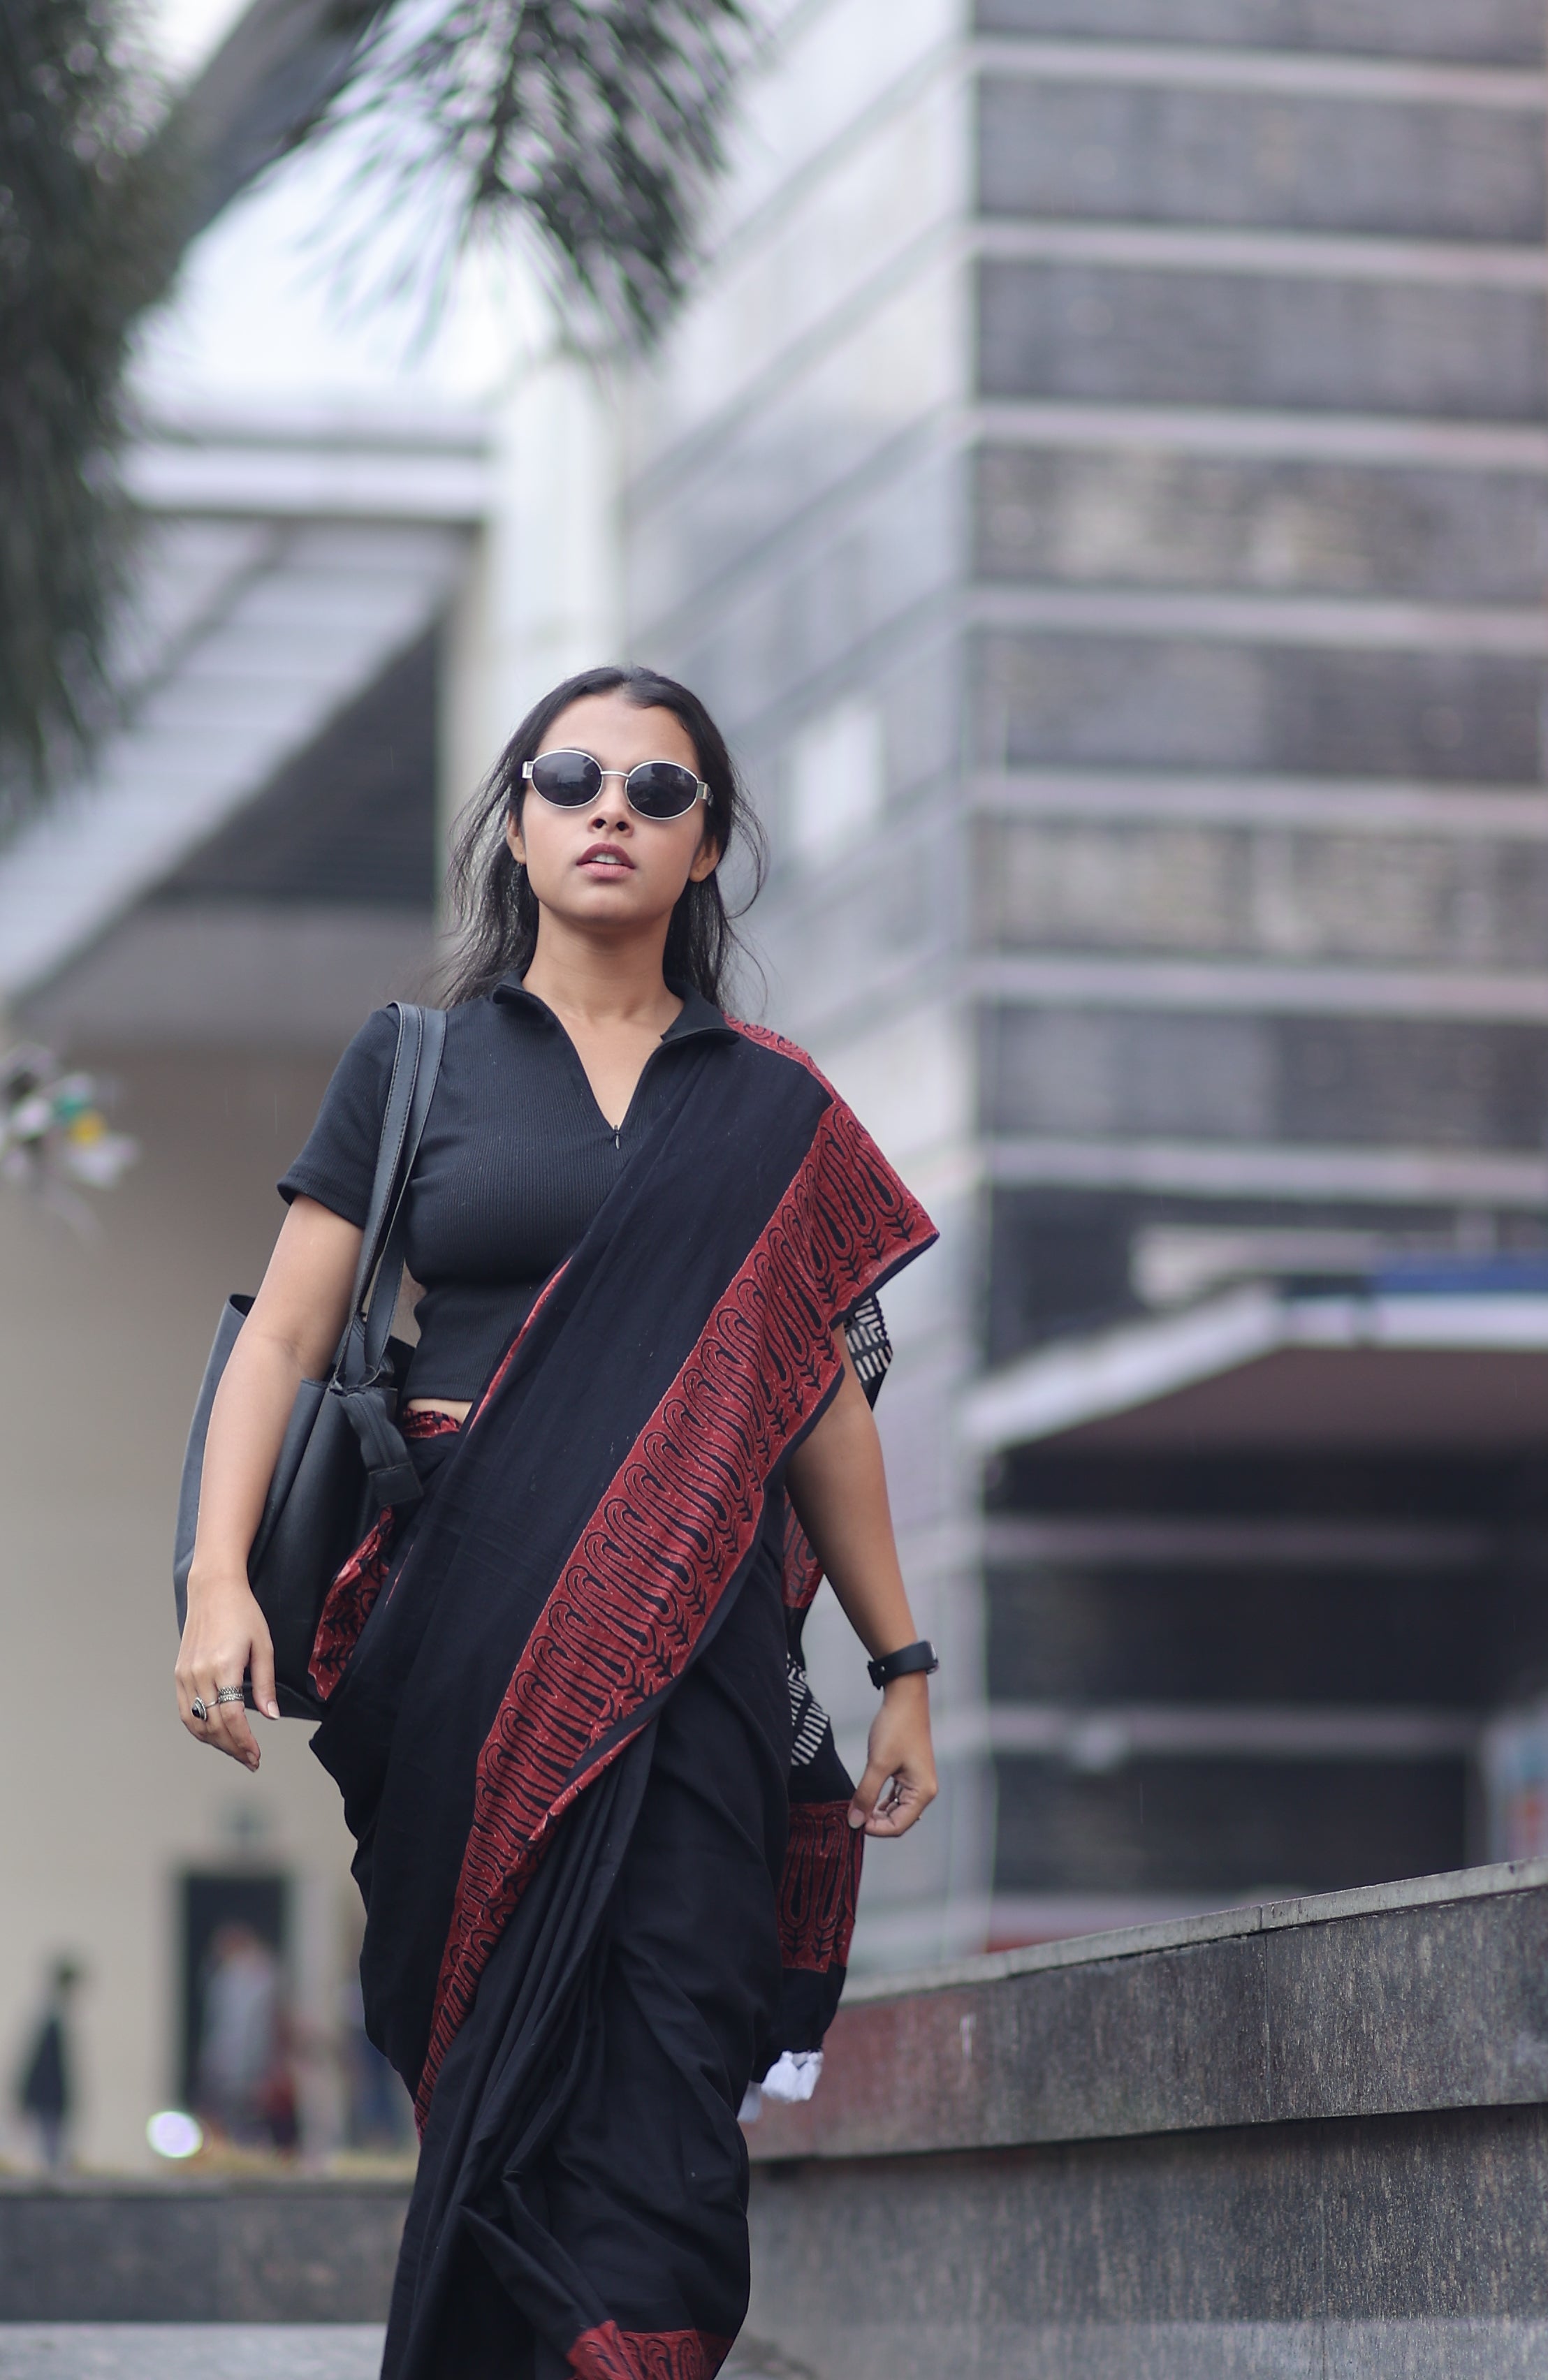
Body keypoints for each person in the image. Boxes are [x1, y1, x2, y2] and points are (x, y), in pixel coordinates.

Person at [175, 665, 939, 2380]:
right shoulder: (414, 1061)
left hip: (697, 1667)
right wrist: (217, 1580)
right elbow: (283, 1338)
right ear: (514, 824)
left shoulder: (773, 1108)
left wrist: (900, 1663)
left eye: (656, 792)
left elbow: (820, 1403)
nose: (611, 812)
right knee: (487, 2065)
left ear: (706, 848)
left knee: (674, 2056)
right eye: (570, 779)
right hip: (455, 1641)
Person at [194, 1922, 298, 2153]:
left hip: (245, 2070)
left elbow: (250, 2032)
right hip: (232, 2070)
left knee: (250, 2125)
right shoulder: (227, 1978)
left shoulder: (254, 1980)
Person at [16, 1958, 81, 2172]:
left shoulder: (53, 2017)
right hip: (49, 2100)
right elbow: (41, 2064)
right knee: (50, 2153)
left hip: (51, 2100)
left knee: (51, 2151)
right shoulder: (52, 2020)